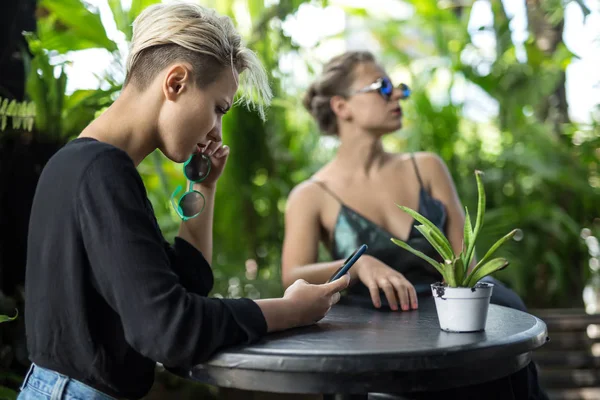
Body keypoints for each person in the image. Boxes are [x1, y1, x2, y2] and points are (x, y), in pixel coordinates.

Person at [18, 3, 349, 400]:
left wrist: (205, 189)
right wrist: (289, 309)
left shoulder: (79, 163)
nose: (217, 132)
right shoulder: (103, 172)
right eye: (217, 108)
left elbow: (184, 286)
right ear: (175, 83)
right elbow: (170, 330)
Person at [281, 51, 545, 399]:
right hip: (373, 334)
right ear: (341, 106)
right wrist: (357, 265)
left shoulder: (427, 167)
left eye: (398, 88)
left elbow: (466, 259)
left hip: (457, 320)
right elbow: (292, 276)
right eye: (382, 87)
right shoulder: (310, 195)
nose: (397, 95)